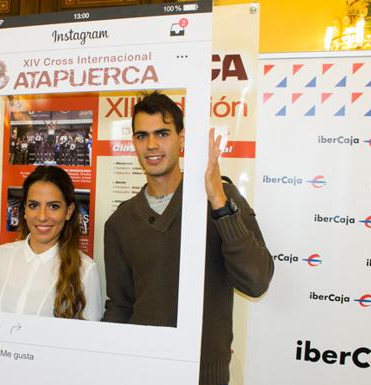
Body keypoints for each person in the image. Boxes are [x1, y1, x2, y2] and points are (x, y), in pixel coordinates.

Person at [101, 91, 274, 385]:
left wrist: (218, 200)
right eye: (142, 135)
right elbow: (120, 306)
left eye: (163, 133)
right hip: (143, 371)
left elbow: (256, 281)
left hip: (205, 375)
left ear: (182, 138)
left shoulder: (221, 198)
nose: (152, 144)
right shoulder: (120, 223)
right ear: (133, 143)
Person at [0, 166, 102, 320]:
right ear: (24, 209)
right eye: (34, 205)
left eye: (53, 206)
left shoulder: (86, 270)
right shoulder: (1, 255)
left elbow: (89, 339)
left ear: (68, 211)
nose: (42, 216)